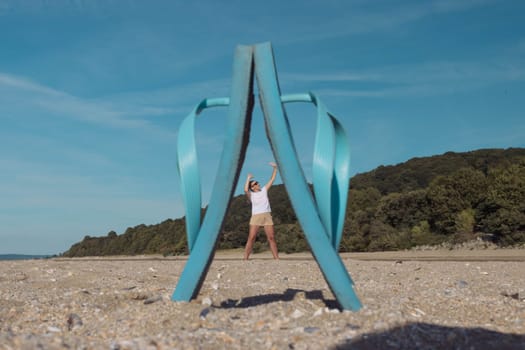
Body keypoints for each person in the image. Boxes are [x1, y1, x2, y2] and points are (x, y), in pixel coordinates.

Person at [243, 162, 279, 260]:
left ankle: (277, 258)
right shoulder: (251, 195)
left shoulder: (264, 190)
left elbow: (272, 179)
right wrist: (248, 178)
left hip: (267, 215)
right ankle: (245, 258)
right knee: (252, 237)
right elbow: (246, 189)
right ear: (253, 188)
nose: (258, 184)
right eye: (255, 184)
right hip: (256, 216)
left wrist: (275, 168)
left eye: (257, 183)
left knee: (271, 238)